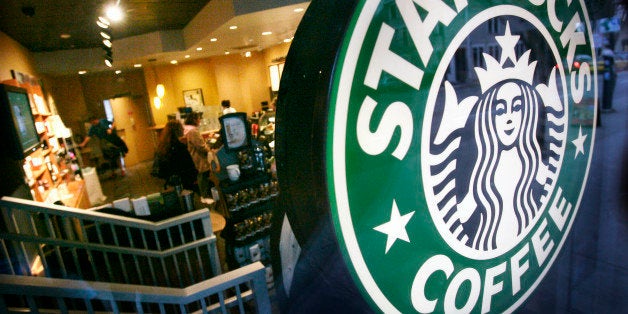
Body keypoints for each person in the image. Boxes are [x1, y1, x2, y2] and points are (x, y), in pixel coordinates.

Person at [185, 112, 220, 204]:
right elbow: (200, 146)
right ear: (194, 120)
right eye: (198, 118)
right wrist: (209, 149)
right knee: (202, 175)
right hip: (198, 157)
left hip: (195, 156)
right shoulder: (193, 131)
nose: (199, 120)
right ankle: (204, 196)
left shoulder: (189, 130)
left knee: (202, 175)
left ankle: (204, 195)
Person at [155, 120, 198, 191]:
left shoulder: (164, 146)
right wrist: (194, 176)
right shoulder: (179, 146)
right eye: (181, 127)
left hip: (171, 182)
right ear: (176, 130)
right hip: (184, 181)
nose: (183, 129)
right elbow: (188, 165)